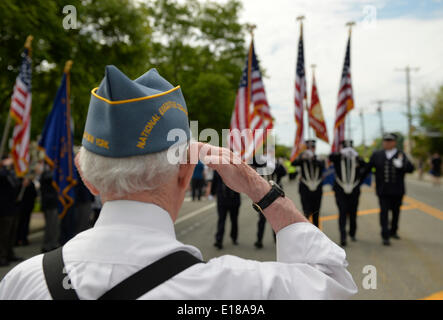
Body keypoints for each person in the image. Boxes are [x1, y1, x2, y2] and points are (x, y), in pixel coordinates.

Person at [0, 66, 357, 299]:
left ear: (88, 178)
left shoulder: (22, 282)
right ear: (186, 172)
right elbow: (333, 283)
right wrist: (259, 188)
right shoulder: (234, 289)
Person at [363, 133, 415, 246]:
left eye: (389, 141)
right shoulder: (377, 154)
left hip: (397, 190)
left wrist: (402, 165)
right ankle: (385, 235)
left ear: (394, 142)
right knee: (384, 212)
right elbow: (367, 169)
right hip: (383, 190)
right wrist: (357, 178)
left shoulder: (401, 154)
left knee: (396, 212)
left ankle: (393, 231)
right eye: (385, 140)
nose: (386, 142)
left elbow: (411, 169)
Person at [329, 140, 367, 247]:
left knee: (353, 212)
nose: (348, 151)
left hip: (354, 190)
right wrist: (340, 153)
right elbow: (331, 157)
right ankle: (343, 236)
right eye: (345, 148)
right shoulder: (338, 158)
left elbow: (366, 167)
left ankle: (352, 232)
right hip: (340, 190)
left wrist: (357, 156)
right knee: (342, 211)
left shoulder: (356, 159)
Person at [291, 140, 325, 228]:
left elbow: (322, 166)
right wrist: (301, 157)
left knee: (316, 213)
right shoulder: (303, 158)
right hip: (305, 189)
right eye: (308, 148)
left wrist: (313, 158)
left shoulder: (319, 158)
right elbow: (293, 163)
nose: (310, 149)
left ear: (315, 148)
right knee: (306, 212)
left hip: (317, 189)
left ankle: (316, 231)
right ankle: (307, 232)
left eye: (312, 147)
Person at [211, 171, 240, 249]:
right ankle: (219, 240)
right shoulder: (218, 168)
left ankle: (233, 237)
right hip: (223, 199)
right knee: (222, 220)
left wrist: (213, 192)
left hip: (233, 199)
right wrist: (213, 192)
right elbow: (215, 181)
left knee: (233, 220)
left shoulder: (236, 168)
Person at [0, 157, 21, 266]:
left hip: (12, 207)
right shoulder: (3, 172)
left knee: (11, 233)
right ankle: (2, 256)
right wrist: (4, 167)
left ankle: (9, 253)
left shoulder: (9, 172)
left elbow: (15, 182)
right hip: (3, 209)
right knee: (4, 234)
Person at [39, 164, 61, 253]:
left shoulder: (49, 172)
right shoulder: (46, 173)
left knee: (54, 225)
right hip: (49, 203)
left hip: (53, 202)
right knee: (50, 225)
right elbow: (50, 178)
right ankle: (48, 245)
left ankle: (52, 243)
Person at [16, 177, 37, 246]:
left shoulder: (31, 183)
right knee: (19, 223)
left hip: (28, 206)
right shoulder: (18, 181)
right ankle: (18, 239)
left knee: (25, 223)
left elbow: (34, 194)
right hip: (20, 207)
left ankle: (24, 239)